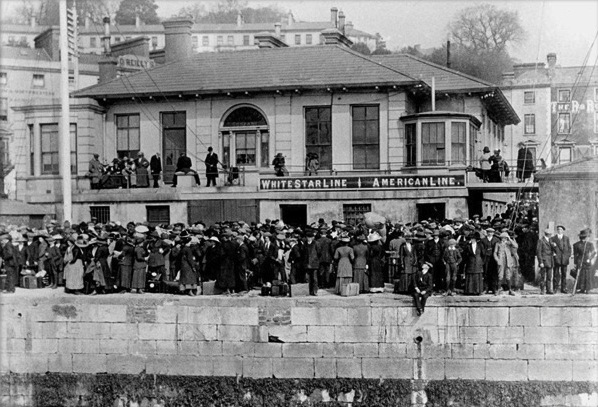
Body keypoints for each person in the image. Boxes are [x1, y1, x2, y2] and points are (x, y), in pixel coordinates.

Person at [572, 229, 596, 294]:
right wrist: (575, 263)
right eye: (586, 236)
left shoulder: (589, 244)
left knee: (587, 275)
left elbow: (594, 253)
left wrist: (590, 258)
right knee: (580, 275)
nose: (587, 238)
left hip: (587, 261)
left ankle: (587, 289)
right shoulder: (576, 245)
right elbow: (575, 255)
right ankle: (581, 288)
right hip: (580, 261)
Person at [551, 225, 572, 294]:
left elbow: (569, 248)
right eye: (558, 229)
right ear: (557, 230)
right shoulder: (553, 238)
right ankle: (555, 288)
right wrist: (553, 254)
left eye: (561, 229)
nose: (559, 230)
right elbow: (550, 248)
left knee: (564, 274)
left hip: (564, 259)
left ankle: (563, 288)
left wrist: (568, 255)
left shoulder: (566, 238)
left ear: (563, 230)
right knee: (556, 274)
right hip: (557, 259)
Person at [481, 228, 499, 295]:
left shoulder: (496, 240)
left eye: (491, 232)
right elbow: (482, 250)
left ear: (493, 233)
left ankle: (494, 289)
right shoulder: (483, 240)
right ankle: (486, 288)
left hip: (494, 259)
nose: (489, 233)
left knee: (494, 273)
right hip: (486, 258)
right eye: (488, 232)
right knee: (486, 273)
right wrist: (486, 253)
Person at [536, 229, 555, 294]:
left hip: (550, 261)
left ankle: (548, 289)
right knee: (542, 277)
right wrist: (540, 262)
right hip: (544, 261)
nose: (550, 235)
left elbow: (553, 250)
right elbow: (538, 252)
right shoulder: (541, 241)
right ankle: (542, 290)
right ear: (547, 234)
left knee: (549, 276)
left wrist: (554, 246)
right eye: (550, 234)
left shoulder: (551, 240)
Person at [303, 230, 319, 296]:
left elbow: (319, 253)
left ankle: (315, 291)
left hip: (314, 263)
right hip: (306, 263)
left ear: (312, 237)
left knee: (314, 278)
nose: (309, 238)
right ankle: (308, 291)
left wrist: (316, 259)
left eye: (310, 237)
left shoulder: (316, 243)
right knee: (307, 278)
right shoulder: (305, 244)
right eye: (308, 237)